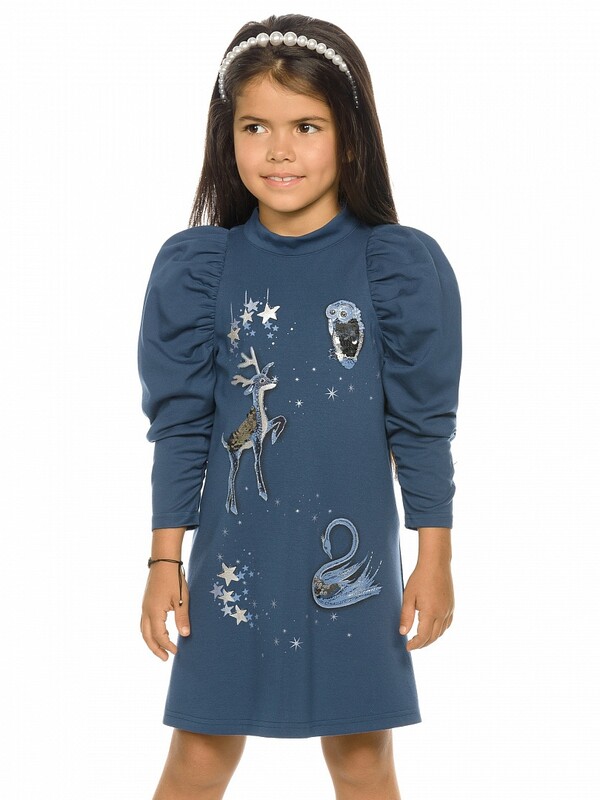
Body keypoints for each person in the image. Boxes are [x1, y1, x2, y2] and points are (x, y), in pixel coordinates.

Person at [137, 11, 462, 800]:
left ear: (349, 138)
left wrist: (435, 556)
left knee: (362, 760)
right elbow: (181, 427)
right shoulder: (200, 270)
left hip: (352, 573)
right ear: (229, 139)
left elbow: (422, 425)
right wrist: (162, 560)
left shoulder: (395, 268)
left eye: (306, 127)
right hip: (234, 564)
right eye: (255, 127)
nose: (278, 150)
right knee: (198, 756)